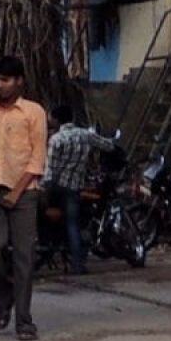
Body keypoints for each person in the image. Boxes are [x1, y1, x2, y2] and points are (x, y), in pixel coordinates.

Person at [0, 54, 49, 341]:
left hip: (24, 192)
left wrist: (17, 193)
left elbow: (37, 159)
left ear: (19, 82)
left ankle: (24, 320)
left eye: (5, 80)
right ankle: (2, 296)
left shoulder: (33, 112)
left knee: (25, 257)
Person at [42, 118, 119, 275]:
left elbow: (50, 167)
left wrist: (46, 186)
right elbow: (109, 145)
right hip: (73, 187)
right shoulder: (85, 135)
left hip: (56, 186)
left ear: (57, 120)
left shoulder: (56, 139)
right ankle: (77, 264)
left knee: (52, 218)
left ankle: (53, 247)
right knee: (73, 225)